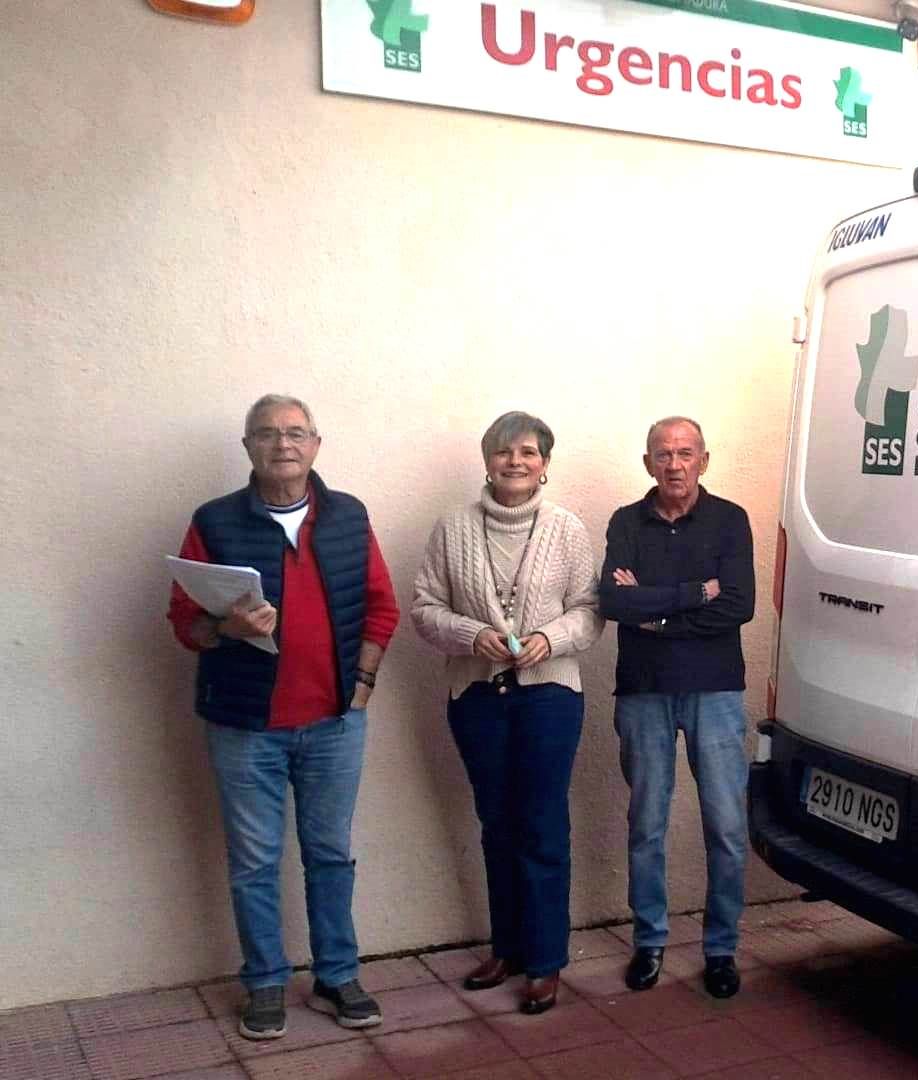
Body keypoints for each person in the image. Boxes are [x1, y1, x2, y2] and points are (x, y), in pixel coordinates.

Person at [167, 394, 399, 1040]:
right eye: (266, 434)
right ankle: (265, 983)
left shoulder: (348, 516)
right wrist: (224, 626)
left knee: (330, 854)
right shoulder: (214, 521)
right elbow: (183, 623)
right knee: (254, 861)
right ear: (248, 448)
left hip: (334, 724)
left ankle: (337, 974)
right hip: (244, 727)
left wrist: (365, 682)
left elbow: (383, 607)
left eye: (296, 433)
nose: (283, 444)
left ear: (317, 445)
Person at [410, 411, 605, 1015]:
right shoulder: (452, 529)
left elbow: (590, 609)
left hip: (549, 696)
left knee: (542, 824)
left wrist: (550, 639)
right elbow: (423, 608)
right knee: (496, 822)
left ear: (546, 463)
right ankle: (508, 947)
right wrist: (472, 635)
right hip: (477, 697)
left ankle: (545, 960)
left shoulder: (567, 529)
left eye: (528, 452)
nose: (515, 462)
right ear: (486, 459)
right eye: (503, 451)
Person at [599, 416, 756, 999]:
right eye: (663, 454)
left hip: (715, 690)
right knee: (647, 824)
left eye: (685, 453)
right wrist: (692, 595)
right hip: (643, 690)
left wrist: (653, 613)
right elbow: (613, 599)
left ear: (703, 461)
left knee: (726, 826)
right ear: (647, 463)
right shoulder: (624, 521)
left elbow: (739, 605)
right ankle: (650, 941)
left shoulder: (730, 520)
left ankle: (721, 949)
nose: (674, 464)